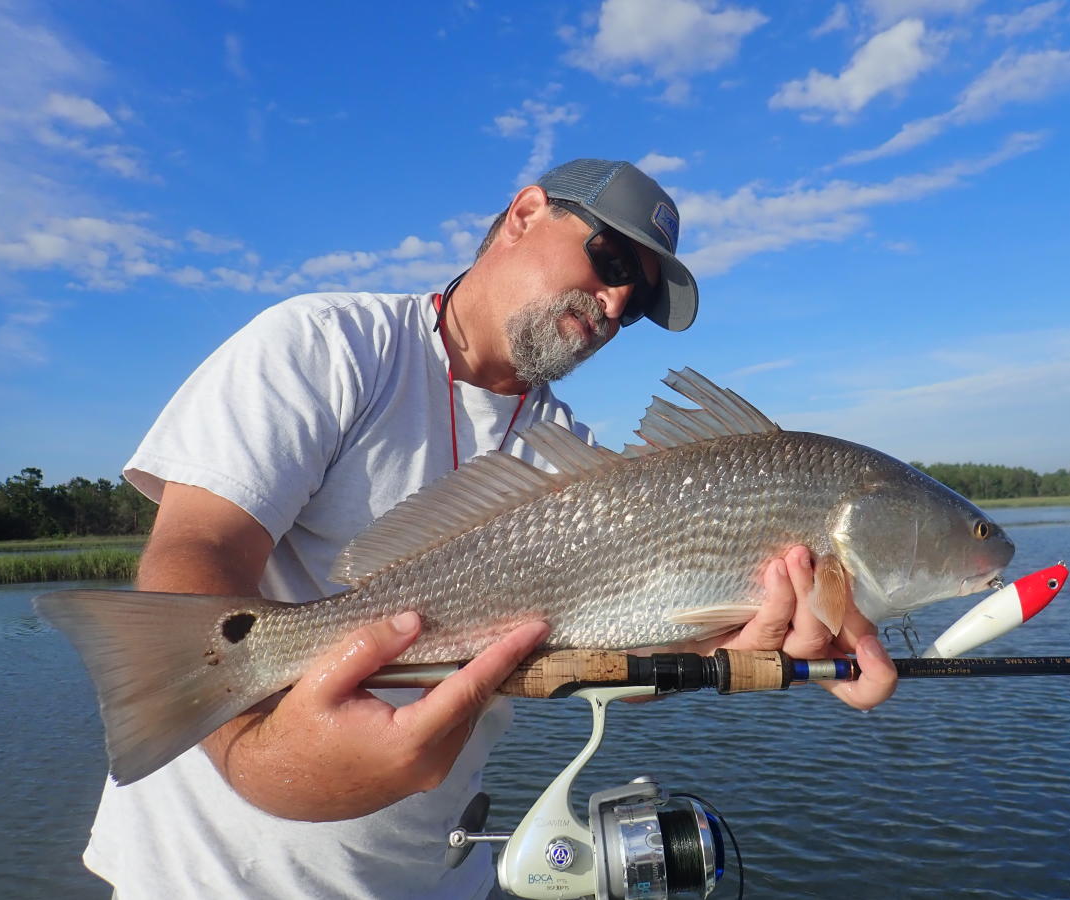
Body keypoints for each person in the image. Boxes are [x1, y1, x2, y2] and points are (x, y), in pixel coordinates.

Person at [83, 159, 897, 898]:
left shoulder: (573, 457)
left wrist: (727, 652)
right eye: (612, 263)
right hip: (206, 876)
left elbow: (599, 646)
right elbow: (200, 543)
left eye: (638, 301)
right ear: (525, 212)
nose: (615, 304)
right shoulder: (328, 343)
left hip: (435, 876)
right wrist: (256, 761)